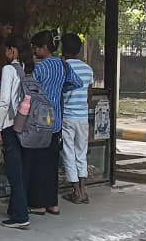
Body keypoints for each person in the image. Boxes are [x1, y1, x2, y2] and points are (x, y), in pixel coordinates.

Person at [23, 31, 83, 215]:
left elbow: (28, 89)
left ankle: (39, 205)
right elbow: (76, 82)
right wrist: (59, 90)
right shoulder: (63, 65)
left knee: (37, 165)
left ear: (44, 48)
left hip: (39, 122)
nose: (33, 51)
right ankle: (53, 204)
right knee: (51, 165)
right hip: (56, 121)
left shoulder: (38, 68)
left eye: (35, 47)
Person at [0, 35, 33, 229]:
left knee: (14, 171)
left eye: (7, 49)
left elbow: (5, 101)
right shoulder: (28, 68)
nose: (5, 53)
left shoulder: (9, 69)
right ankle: (15, 207)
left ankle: (20, 215)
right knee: (21, 170)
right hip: (26, 125)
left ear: (12, 50)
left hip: (11, 125)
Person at [60, 34, 94, 204]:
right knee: (81, 154)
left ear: (62, 49)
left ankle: (76, 192)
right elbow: (89, 95)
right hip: (82, 117)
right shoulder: (88, 69)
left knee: (68, 153)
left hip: (67, 116)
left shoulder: (63, 67)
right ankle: (83, 191)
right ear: (79, 50)